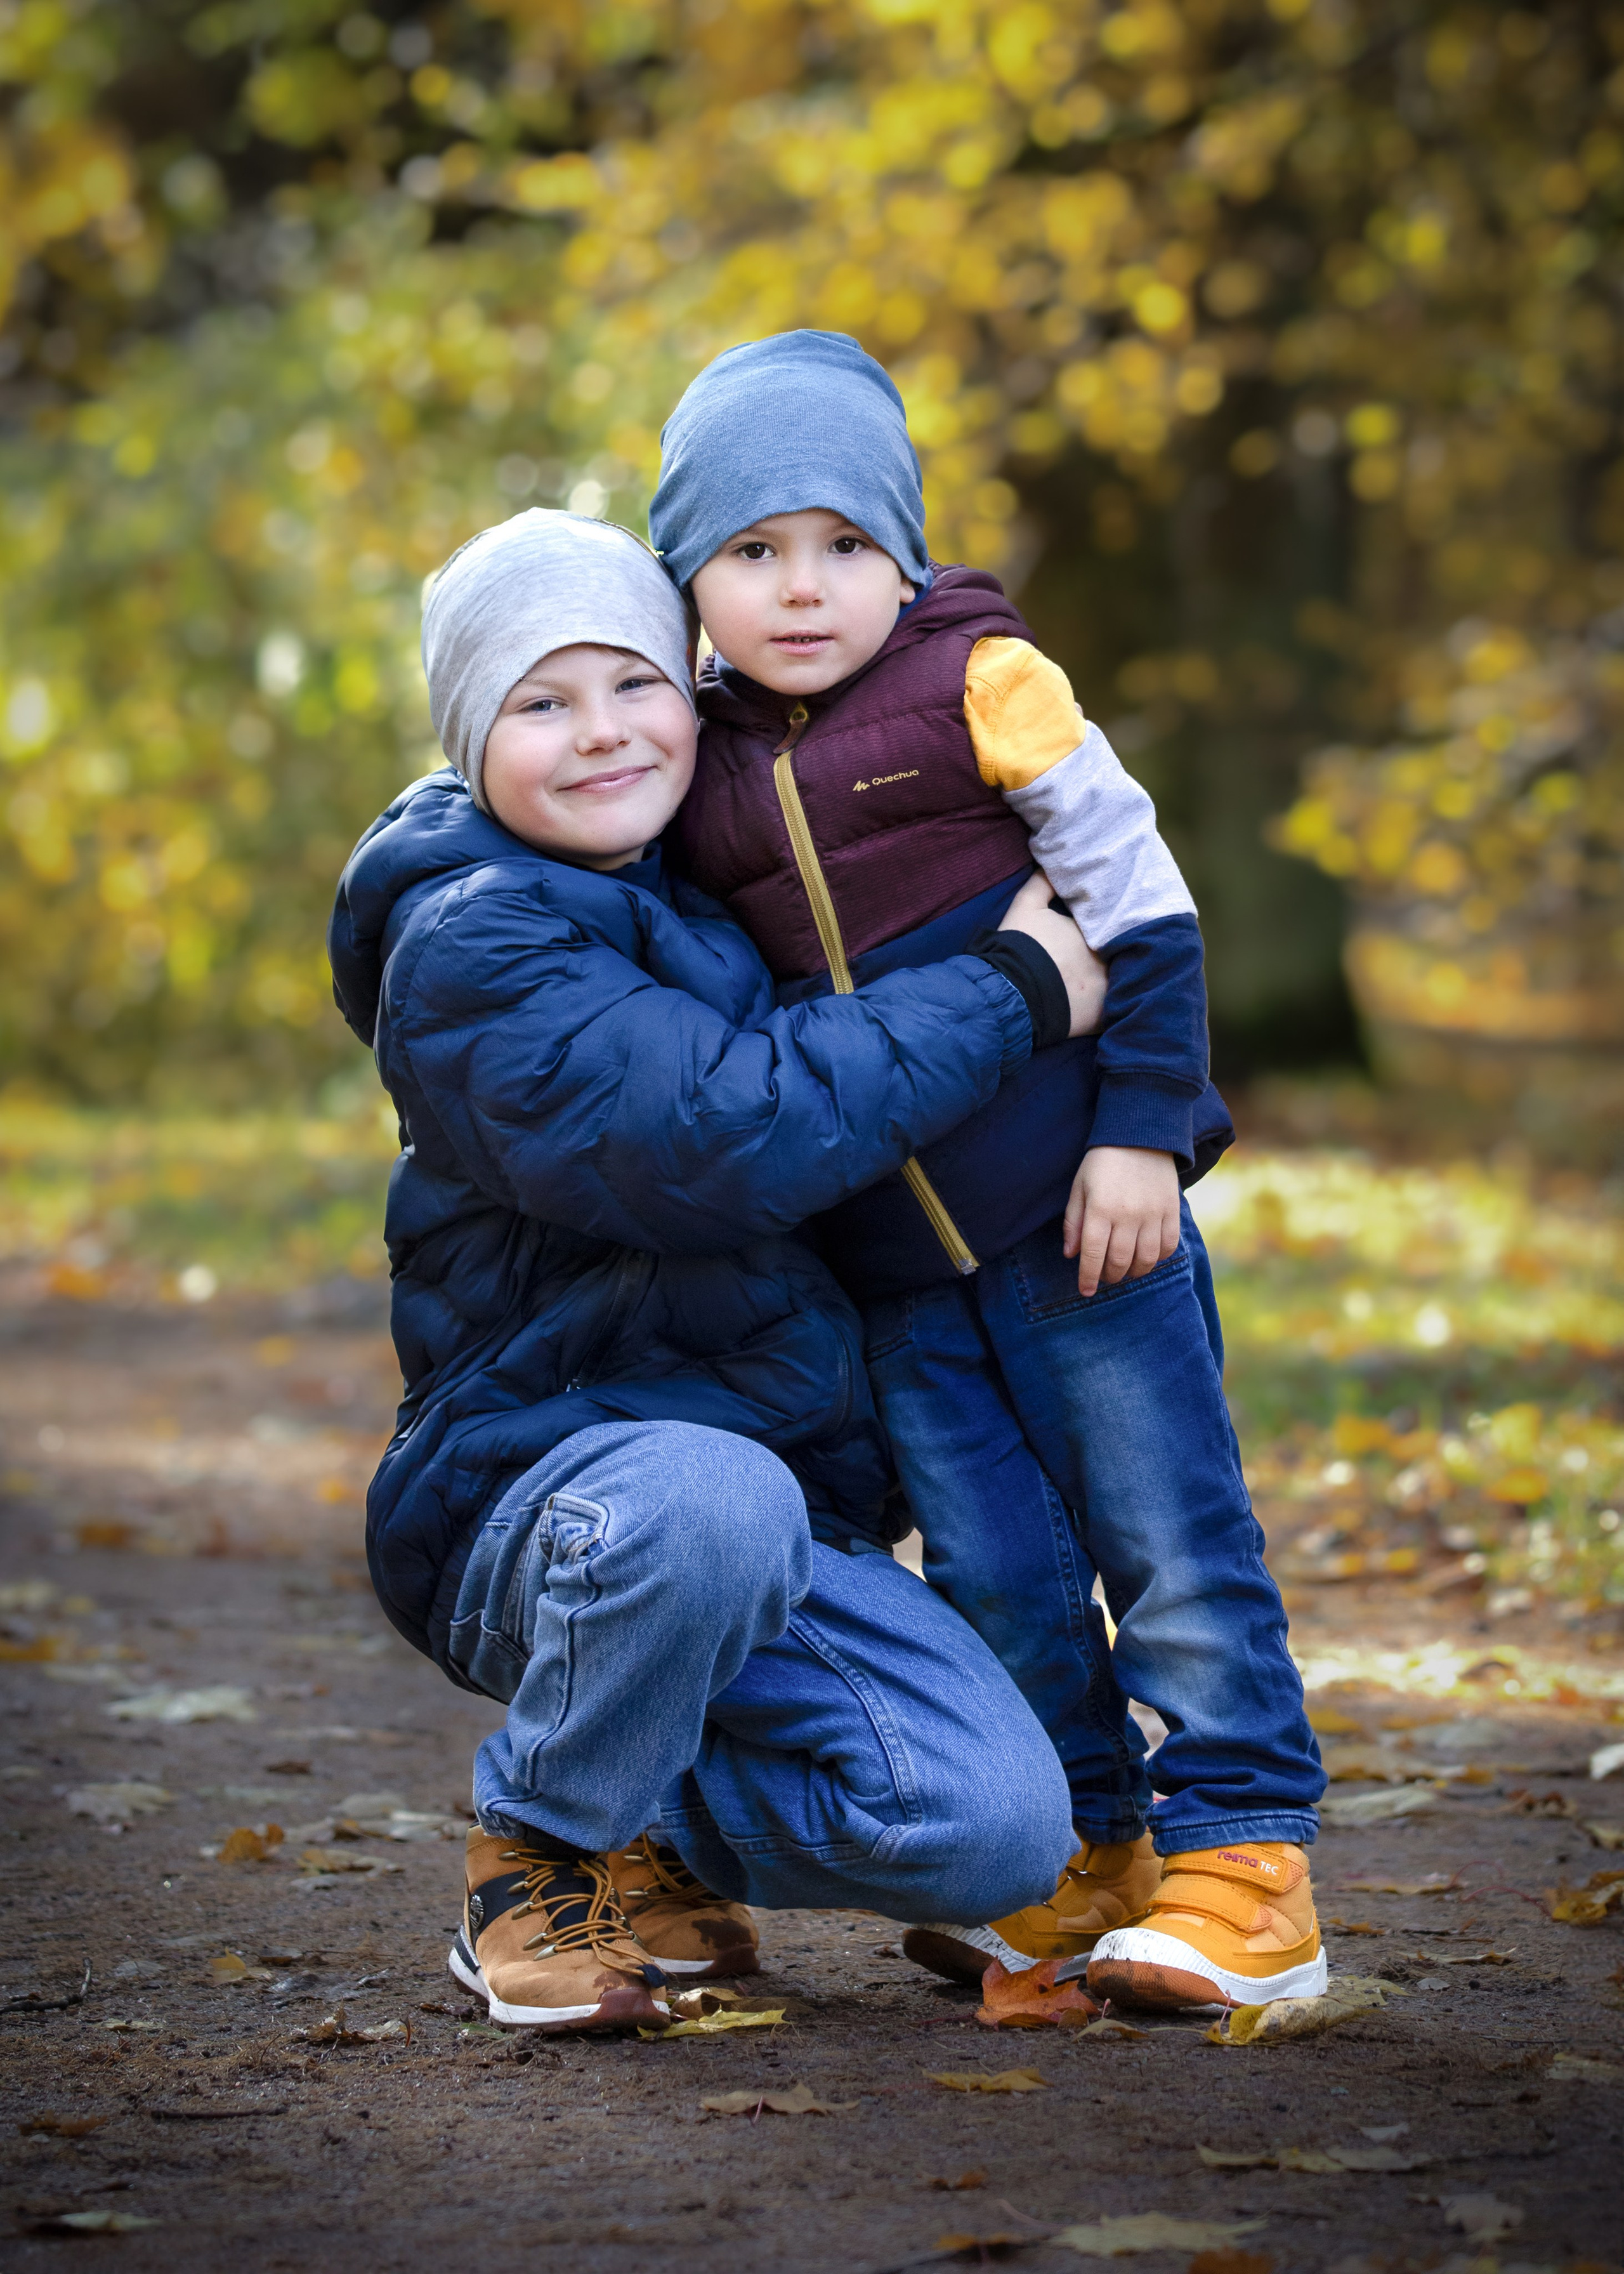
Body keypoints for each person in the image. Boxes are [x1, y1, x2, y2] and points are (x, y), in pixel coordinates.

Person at [327, 507, 1099, 2033]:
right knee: (703, 1490)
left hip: (770, 1525)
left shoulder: (715, 878)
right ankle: (538, 1843)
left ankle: (653, 1833)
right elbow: (717, 1134)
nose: (601, 734)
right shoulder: (472, 939)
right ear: (471, 740)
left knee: (997, 1832)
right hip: (543, 1508)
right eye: (540, 705)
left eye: (633, 686)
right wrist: (1010, 984)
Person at [650, 330, 1328, 2011]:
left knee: (1167, 1536)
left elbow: (1144, 902)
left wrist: (1140, 1133)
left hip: (1082, 1214)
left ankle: (1247, 1866)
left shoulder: (983, 681)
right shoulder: (698, 765)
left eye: (845, 545)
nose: (803, 589)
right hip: (899, 1270)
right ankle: (1087, 1864)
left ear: (905, 552)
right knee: (1002, 1578)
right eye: (753, 551)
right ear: (691, 575)